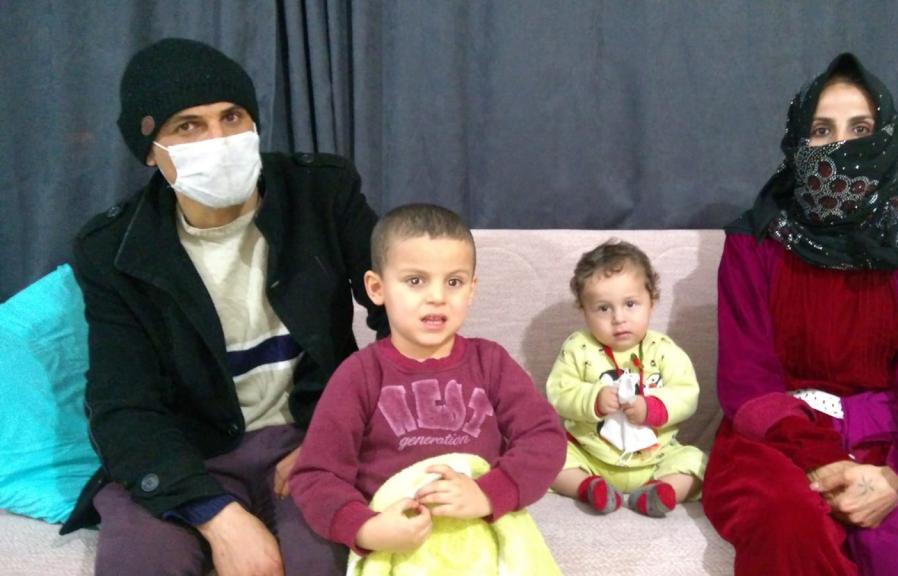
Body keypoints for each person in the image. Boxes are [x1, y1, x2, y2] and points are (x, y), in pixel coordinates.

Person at [60, 38, 387, 576]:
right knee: (143, 565)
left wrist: (339, 435)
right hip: (189, 450)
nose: (218, 140)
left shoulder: (321, 192)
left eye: (232, 117)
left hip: (313, 434)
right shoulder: (112, 250)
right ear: (150, 150)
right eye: (188, 126)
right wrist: (216, 516)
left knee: (328, 559)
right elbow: (123, 405)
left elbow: (402, 313)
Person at [702, 53, 898, 575]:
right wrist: (825, 462)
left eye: (860, 129)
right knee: (790, 525)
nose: (841, 146)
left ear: (885, 136)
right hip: (781, 438)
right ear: (798, 141)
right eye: (822, 130)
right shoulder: (753, 242)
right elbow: (747, 381)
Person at [289, 204, 566, 567]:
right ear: (376, 288)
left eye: (454, 282)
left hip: (481, 537)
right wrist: (366, 529)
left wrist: (488, 493)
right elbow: (316, 475)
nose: (437, 296)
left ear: (472, 289)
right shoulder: (358, 375)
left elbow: (545, 437)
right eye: (416, 280)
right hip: (399, 547)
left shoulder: (491, 362)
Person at [546, 239, 706, 517]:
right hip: (590, 457)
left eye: (630, 304)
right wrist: (593, 399)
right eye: (603, 308)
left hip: (656, 458)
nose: (618, 318)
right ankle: (588, 487)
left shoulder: (664, 350)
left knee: (700, 461)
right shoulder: (577, 347)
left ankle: (659, 491)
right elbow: (558, 392)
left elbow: (687, 394)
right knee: (545, 453)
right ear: (584, 310)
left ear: (652, 301)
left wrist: (652, 407)